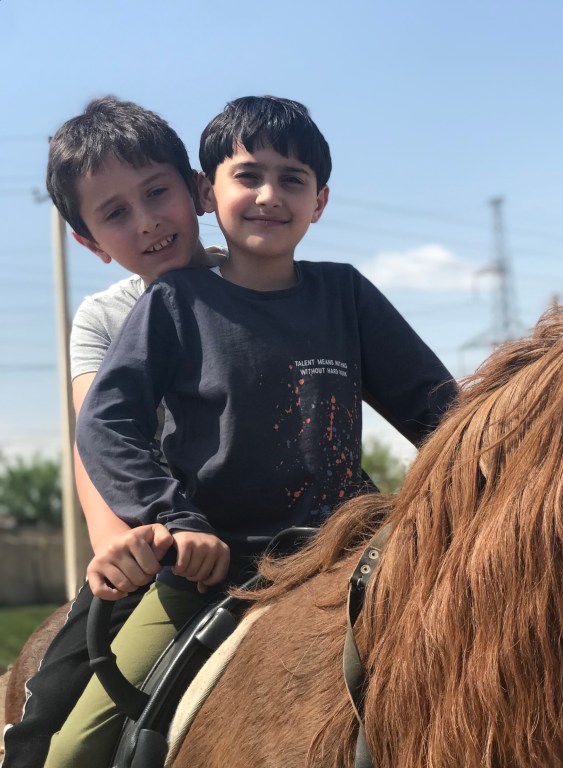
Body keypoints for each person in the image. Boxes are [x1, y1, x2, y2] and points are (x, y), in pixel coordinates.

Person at [44, 95, 458, 768]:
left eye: (291, 179)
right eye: (249, 176)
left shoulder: (346, 295)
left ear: (319, 202)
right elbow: (106, 425)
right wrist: (173, 524)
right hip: (211, 562)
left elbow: (440, 411)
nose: (269, 195)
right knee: (72, 749)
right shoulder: (169, 306)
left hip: (351, 549)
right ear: (213, 191)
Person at [0, 96, 224, 768]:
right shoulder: (103, 319)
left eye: (157, 192)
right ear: (90, 243)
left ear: (198, 190)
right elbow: (95, 437)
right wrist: (115, 544)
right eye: (116, 213)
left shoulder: (262, 280)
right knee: (50, 728)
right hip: (166, 549)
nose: (147, 220)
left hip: (300, 526)